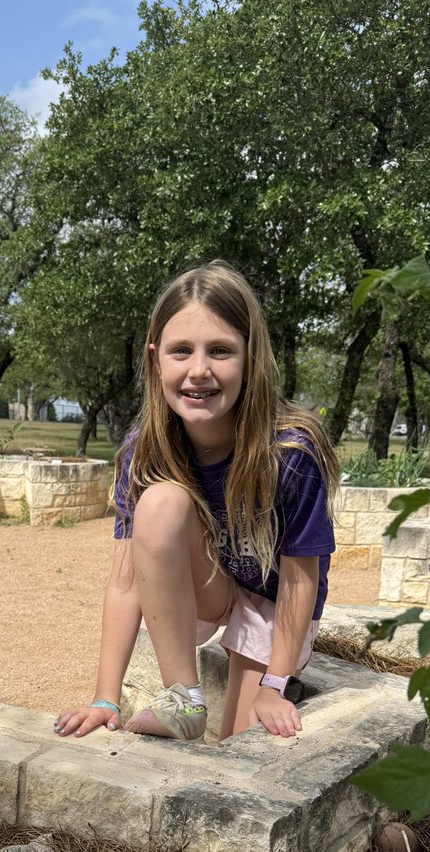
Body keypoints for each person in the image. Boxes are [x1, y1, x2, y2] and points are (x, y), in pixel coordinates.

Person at [54, 260, 339, 744]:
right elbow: (126, 584)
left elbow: (299, 578)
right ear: (154, 359)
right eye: (181, 350)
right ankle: (183, 697)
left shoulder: (290, 451)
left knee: (240, 747)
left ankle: (245, 691)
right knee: (161, 503)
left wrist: (275, 684)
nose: (199, 370)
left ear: (251, 358)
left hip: (273, 603)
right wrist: (106, 697)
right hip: (211, 582)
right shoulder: (142, 452)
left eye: (221, 350)